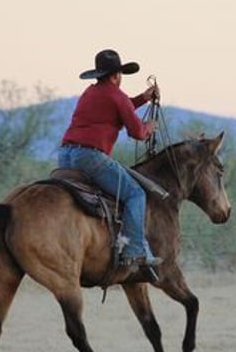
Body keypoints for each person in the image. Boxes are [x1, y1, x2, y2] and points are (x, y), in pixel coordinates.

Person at [58, 49, 162, 268]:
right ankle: (134, 251)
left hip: (66, 156)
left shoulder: (91, 92)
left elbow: (120, 108)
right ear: (116, 75)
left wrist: (143, 98)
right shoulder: (116, 95)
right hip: (90, 157)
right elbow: (137, 132)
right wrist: (149, 128)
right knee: (135, 194)